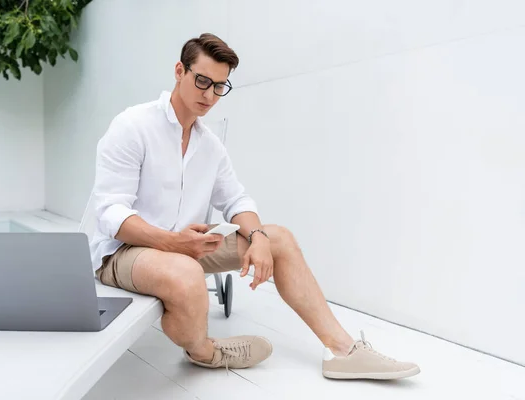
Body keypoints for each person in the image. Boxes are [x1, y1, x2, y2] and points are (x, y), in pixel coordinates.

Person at [90, 33, 420, 380]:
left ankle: (342, 351)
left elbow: (236, 200)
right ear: (179, 71)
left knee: (279, 238)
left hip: (185, 248)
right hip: (124, 253)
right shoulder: (133, 126)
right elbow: (110, 212)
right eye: (202, 81)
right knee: (187, 275)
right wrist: (173, 243)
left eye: (219, 86)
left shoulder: (210, 145)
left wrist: (259, 237)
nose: (209, 95)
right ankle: (205, 351)